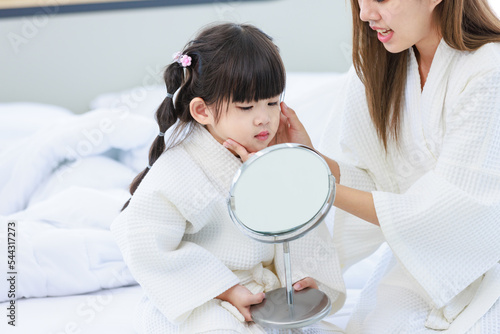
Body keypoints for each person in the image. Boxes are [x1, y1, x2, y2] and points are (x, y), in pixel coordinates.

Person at [225, 0, 500, 332]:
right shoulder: (380, 64)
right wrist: (304, 158)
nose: (366, 14)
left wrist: (314, 185)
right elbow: (378, 180)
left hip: (483, 260)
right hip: (420, 262)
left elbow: (449, 210)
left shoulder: (489, 71)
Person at [111, 23, 345, 333]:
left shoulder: (274, 159)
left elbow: (299, 230)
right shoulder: (180, 168)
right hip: (203, 298)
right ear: (202, 111)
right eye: (246, 106)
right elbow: (141, 239)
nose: (264, 117)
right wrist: (224, 288)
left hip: (264, 296)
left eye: (273, 102)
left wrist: (298, 278)